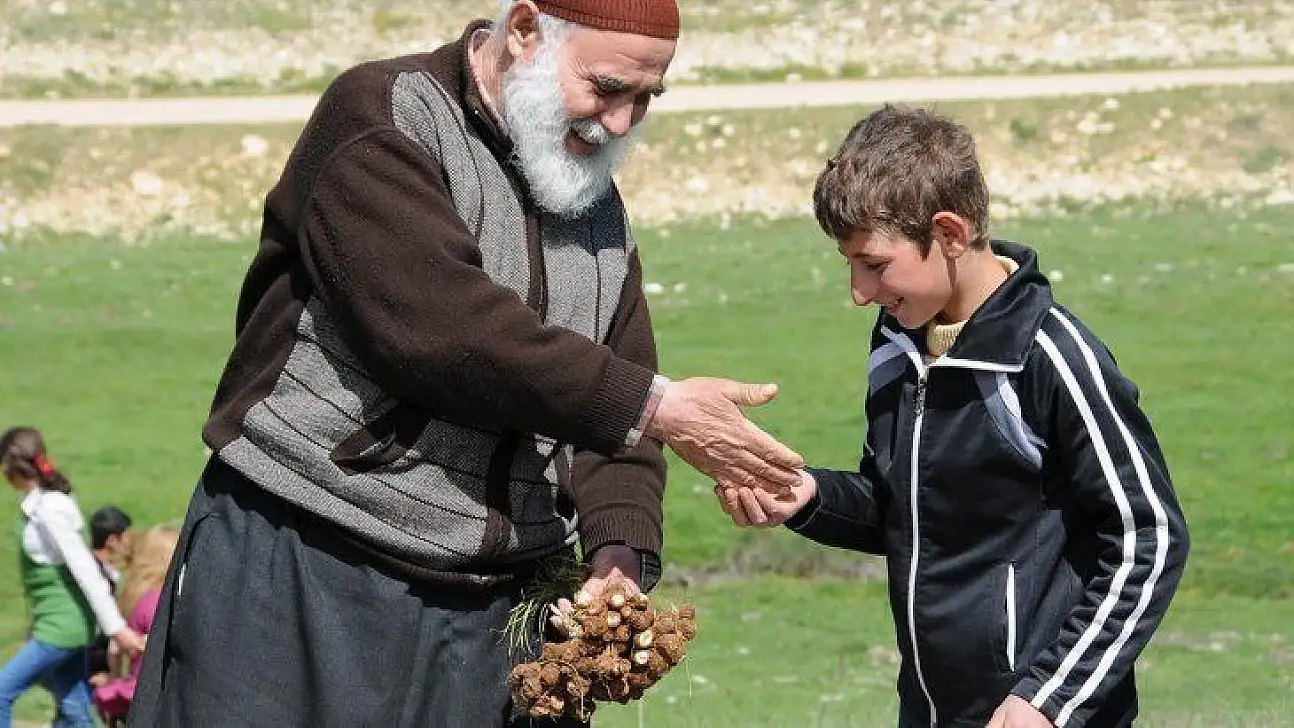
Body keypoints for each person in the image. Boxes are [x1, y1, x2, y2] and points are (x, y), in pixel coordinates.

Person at [129, 1, 802, 726]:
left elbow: (610, 409)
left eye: (645, 99)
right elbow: (443, 334)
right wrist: (658, 407)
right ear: (523, 33)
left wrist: (618, 554)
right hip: (311, 568)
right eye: (607, 87)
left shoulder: (593, 203)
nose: (620, 122)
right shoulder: (384, 119)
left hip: (494, 616)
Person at [716, 105, 1190, 728]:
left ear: (949, 234)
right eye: (849, 264)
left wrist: (1050, 699)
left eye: (874, 264)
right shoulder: (896, 346)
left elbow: (1148, 539)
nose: (859, 292)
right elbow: (903, 510)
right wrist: (807, 497)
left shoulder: (1051, 357)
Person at [0, 427, 147, 728]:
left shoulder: (49, 511)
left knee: (2, 693)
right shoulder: (46, 503)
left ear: (11, 466)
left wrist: (117, 629)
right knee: (73, 705)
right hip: (64, 624)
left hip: (61, 629)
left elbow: (85, 569)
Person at [91, 525, 178, 726]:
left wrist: (114, 678)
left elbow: (115, 647)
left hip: (132, 690)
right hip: (155, 693)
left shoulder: (135, 596)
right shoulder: (161, 601)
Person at [86, 506, 132, 682]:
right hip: (92, 662)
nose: (130, 542)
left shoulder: (100, 569)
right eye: (126, 536)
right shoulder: (95, 576)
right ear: (113, 540)